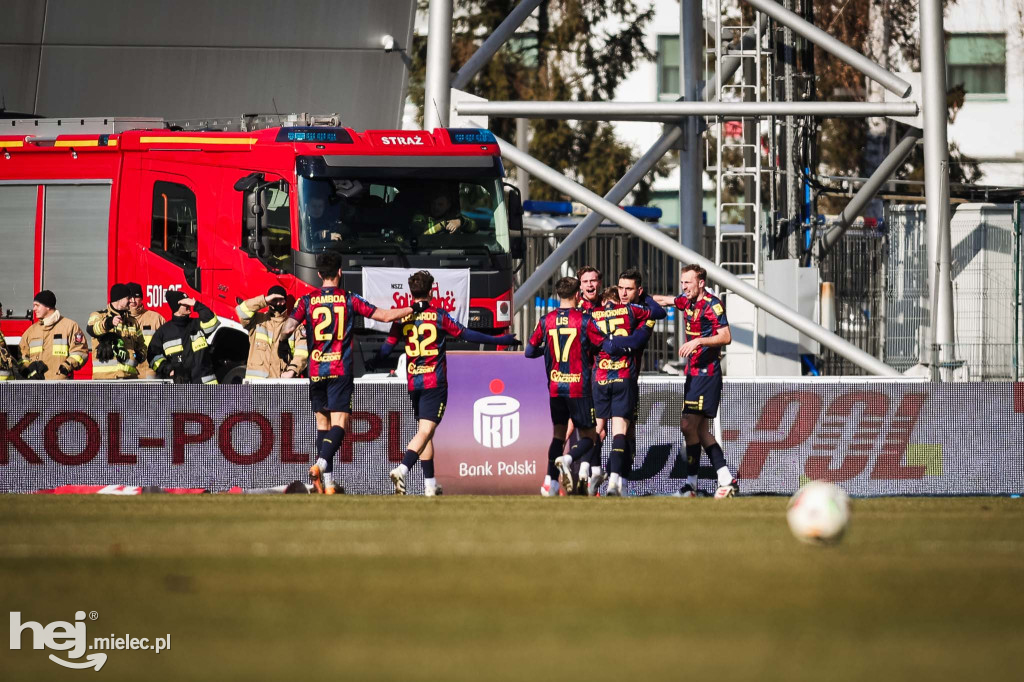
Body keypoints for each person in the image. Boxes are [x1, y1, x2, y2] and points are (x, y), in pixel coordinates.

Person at [370, 270, 518, 496]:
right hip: (433, 381)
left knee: (425, 431)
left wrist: (374, 360)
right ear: (431, 291)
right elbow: (466, 334)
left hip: (413, 381)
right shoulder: (438, 315)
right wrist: (499, 339)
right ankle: (402, 469)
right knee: (427, 430)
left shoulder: (402, 317)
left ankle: (430, 485)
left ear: (412, 292)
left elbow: (387, 348)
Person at [277, 252, 412, 494]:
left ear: (319, 274)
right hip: (339, 368)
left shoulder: (307, 300)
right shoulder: (349, 299)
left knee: (322, 423)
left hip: (317, 369)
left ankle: (327, 485)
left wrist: (282, 341)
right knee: (340, 423)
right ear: (340, 272)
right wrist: (412, 308)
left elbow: (288, 326)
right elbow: (384, 315)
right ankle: (320, 465)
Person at [653, 264, 739, 498]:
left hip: (706, 374)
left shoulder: (713, 304)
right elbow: (666, 300)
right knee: (699, 430)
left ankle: (693, 483)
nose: (684, 287)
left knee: (688, 425)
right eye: (682, 283)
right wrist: (636, 298)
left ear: (701, 283)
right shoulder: (687, 301)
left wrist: (698, 341)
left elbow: (726, 336)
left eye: (688, 283)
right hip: (694, 374)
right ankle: (723, 478)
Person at [525, 277, 611, 497]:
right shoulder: (584, 320)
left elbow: (530, 351)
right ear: (577, 295)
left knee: (558, 436)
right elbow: (604, 344)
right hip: (578, 387)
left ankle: (549, 484)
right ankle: (569, 459)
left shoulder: (546, 320)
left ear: (558, 295)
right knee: (590, 437)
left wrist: (547, 350)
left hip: (555, 386)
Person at [589, 276, 666, 496]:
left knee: (604, 430)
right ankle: (610, 479)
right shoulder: (634, 313)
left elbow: (639, 338)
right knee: (618, 432)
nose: (623, 293)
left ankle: (609, 477)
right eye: (620, 289)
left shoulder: (600, 315)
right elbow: (644, 330)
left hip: (604, 377)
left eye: (628, 289)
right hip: (624, 377)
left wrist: (610, 343)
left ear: (637, 291)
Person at [147, 291, 221, 384]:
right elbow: (153, 356)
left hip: (206, 386)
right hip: (180, 388)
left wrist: (196, 304)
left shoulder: (197, 324)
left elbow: (212, 321)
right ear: (176, 306)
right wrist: (168, 369)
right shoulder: (164, 332)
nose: (188, 304)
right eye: (185, 303)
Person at [236, 285, 309, 380]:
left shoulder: (294, 326)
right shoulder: (257, 321)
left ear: (285, 301)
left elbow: (302, 353)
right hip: (256, 385)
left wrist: (292, 371)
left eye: (281, 300)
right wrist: (265, 300)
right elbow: (241, 311)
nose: (278, 303)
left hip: (280, 384)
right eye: (274, 300)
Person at [17, 290, 89, 380]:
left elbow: (80, 352)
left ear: (47, 306)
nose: (34, 309)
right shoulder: (31, 331)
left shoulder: (69, 326)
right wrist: (28, 370)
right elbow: (22, 356)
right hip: (36, 386)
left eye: (37, 305)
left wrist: (67, 367)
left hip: (61, 385)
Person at [87, 283, 147, 380]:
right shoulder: (99, 316)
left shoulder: (132, 322)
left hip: (129, 379)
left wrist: (139, 355)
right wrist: (108, 323)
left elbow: (142, 346)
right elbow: (91, 329)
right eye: (128, 298)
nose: (131, 301)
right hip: (105, 380)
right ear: (119, 299)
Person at [126, 282, 166, 379]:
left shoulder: (156, 318)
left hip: (150, 373)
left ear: (142, 298)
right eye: (130, 298)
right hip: (127, 373)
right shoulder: (119, 320)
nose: (133, 301)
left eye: (136, 297)